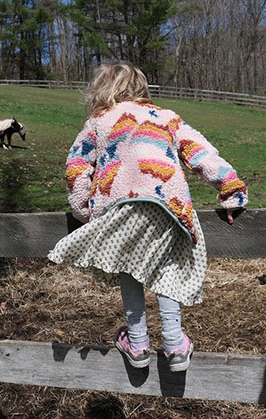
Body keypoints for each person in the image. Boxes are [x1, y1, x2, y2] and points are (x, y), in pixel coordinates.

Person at [48, 61, 248, 372]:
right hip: (167, 205)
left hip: (120, 206)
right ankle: (174, 343)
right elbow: (202, 153)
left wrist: (82, 209)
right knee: (165, 267)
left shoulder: (97, 122)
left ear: (102, 90)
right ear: (142, 89)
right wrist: (231, 189)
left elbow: (76, 167)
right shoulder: (166, 118)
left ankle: (138, 343)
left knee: (129, 266)